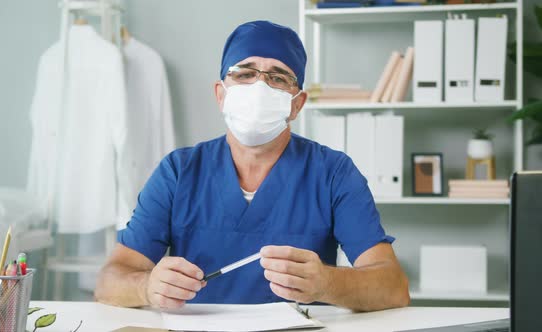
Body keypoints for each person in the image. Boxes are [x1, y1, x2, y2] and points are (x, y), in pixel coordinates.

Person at [95, 20, 410, 311]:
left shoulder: (332, 173)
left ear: (296, 104)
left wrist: (326, 283)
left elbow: (393, 288)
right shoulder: (179, 172)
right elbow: (109, 282)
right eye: (244, 73)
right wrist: (146, 287)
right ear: (221, 94)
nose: (260, 86)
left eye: (277, 77)